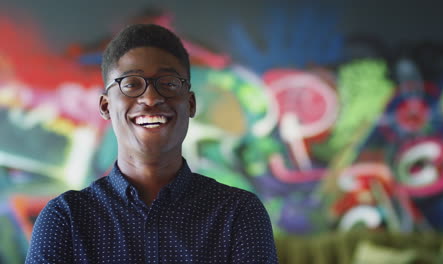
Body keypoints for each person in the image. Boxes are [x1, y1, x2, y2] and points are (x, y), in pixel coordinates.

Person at [25, 24, 278, 263]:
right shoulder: (65, 218)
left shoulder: (239, 214)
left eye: (168, 84)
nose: (150, 97)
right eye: (131, 84)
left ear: (190, 104)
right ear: (106, 106)